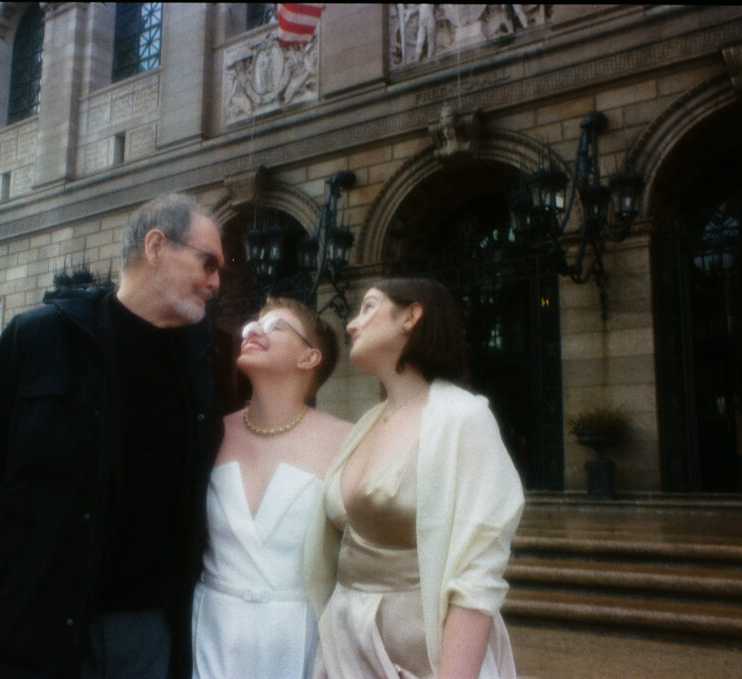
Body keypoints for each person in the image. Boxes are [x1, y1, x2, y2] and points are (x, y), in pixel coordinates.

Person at [0, 193, 225, 679]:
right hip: (32, 629)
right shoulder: (38, 338)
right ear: (156, 246)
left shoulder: (206, 364)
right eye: (208, 262)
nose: (216, 282)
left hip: (150, 634)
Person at [306, 278, 524, 679]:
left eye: (369, 307)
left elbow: (478, 573)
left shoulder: (464, 418)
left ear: (411, 315)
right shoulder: (368, 423)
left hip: (423, 653)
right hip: (343, 646)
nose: (352, 324)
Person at [192, 298, 351, 679]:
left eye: (276, 326)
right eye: (254, 324)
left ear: (309, 358)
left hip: (295, 639)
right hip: (210, 632)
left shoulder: (345, 440)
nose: (252, 331)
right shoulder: (210, 432)